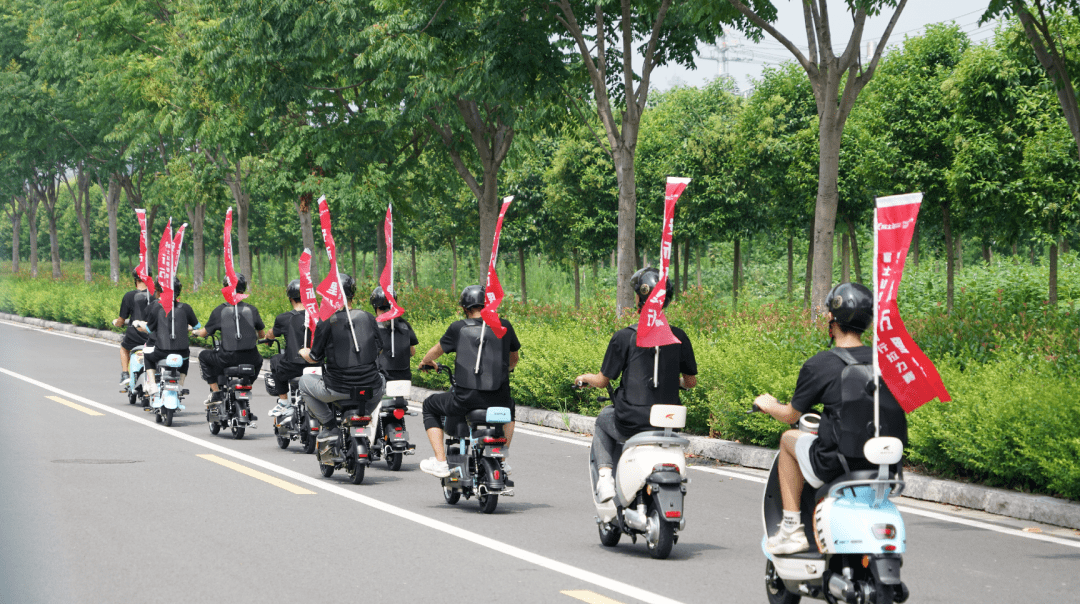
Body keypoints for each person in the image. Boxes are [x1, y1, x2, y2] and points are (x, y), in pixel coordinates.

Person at [753, 282, 905, 555]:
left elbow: (791, 414)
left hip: (835, 463)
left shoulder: (821, 363)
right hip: (885, 463)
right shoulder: (889, 362)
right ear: (868, 320)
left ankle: (791, 529)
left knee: (788, 439)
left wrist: (769, 404)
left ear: (831, 320)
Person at [574, 267, 697, 504]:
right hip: (669, 423)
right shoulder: (679, 337)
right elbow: (690, 382)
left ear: (640, 299)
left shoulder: (625, 336)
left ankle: (606, 478)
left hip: (632, 421)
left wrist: (583, 378)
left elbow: (602, 381)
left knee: (602, 419)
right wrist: (673, 381)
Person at [417, 285, 520, 478]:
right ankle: (503, 462)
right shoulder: (504, 326)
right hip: (499, 400)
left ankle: (440, 462)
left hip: (464, 401)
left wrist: (426, 361)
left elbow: (436, 350)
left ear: (464, 308)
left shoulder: (458, 327)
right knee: (510, 407)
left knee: (429, 406)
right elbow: (514, 360)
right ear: (488, 305)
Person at [297, 273, 386, 444]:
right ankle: (364, 415)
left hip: (337, 388)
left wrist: (303, 352)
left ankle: (330, 426)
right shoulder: (368, 317)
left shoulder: (327, 321)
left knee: (304, 383)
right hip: (370, 388)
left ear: (331, 295)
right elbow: (379, 350)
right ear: (353, 293)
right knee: (381, 379)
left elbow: (315, 357)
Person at [194, 274, 266, 415]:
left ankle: (216, 392)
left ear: (226, 289)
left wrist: (195, 332)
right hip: (250, 358)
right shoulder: (252, 310)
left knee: (203, 355)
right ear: (243, 288)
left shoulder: (220, 310)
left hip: (226, 358)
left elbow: (204, 333)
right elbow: (262, 335)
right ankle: (247, 384)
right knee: (260, 360)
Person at [133, 277, 200, 400]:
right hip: (182, 353)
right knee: (185, 361)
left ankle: (152, 385)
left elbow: (148, 328)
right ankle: (180, 384)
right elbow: (197, 326)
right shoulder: (186, 308)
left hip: (161, 351)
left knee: (147, 356)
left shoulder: (156, 307)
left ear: (159, 291)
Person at [265, 280, 317, 417]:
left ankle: (283, 403)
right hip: (317, 365)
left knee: (276, 359)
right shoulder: (318, 317)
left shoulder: (283, 318)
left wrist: (268, 338)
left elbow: (271, 334)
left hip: (293, 367)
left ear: (290, 299)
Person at [113, 270, 155, 391]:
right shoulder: (156, 296)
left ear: (135, 280)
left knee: (124, 348)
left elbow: (122, 319)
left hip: (135, 336)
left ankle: (125, 374)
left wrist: (117, 323)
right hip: (153, 335)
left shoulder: (129, 296)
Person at [370, 286, 418, 382]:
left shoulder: (371, 325)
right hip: (404, 379)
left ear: (375, 306)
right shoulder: (404, 324)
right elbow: (412, 352)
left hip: (380, 379)